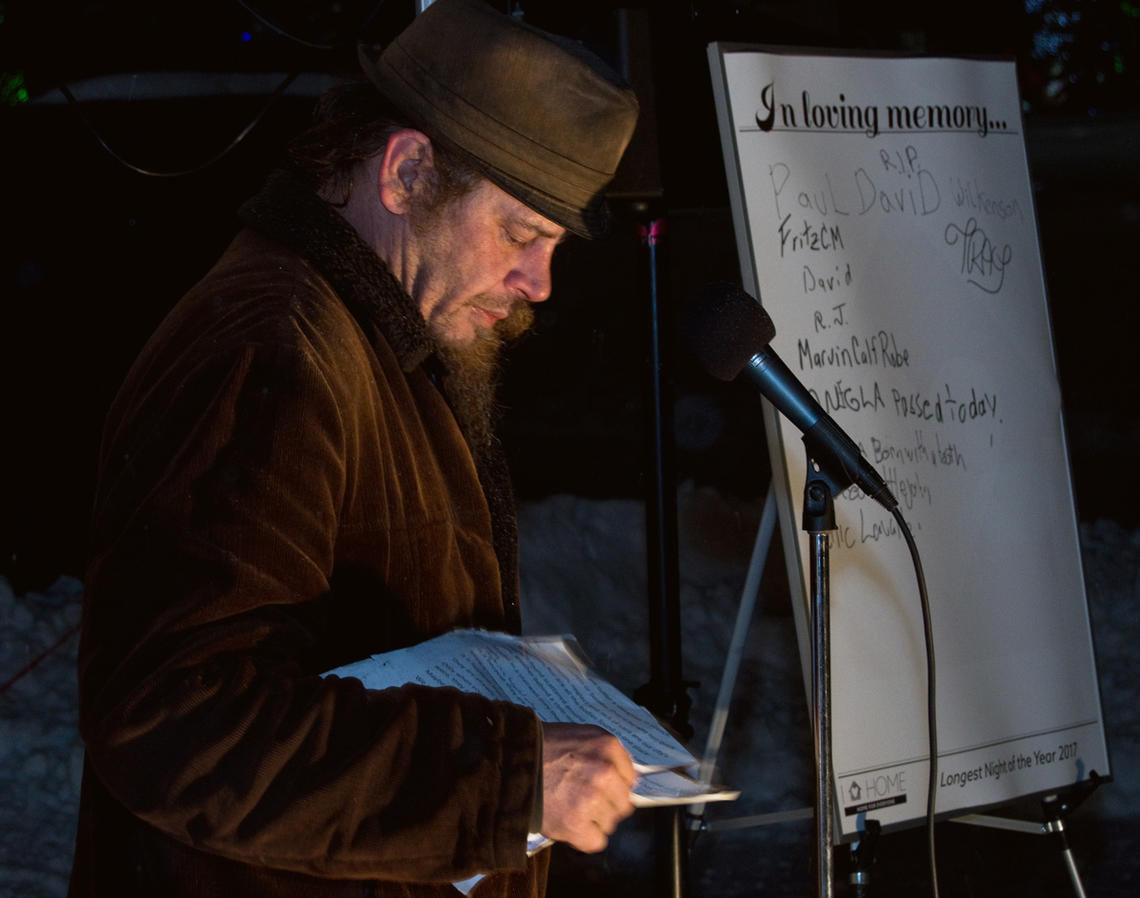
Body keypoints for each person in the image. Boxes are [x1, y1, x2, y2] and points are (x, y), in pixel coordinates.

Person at [67, 1, 641, 896]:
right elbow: (177, 723)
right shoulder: (269, 348)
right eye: (521, 234)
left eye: (554, 244)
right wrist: (506, 783)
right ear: (408, 171)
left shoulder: (387, 337)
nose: (540, 283)